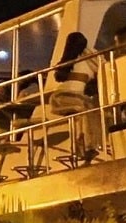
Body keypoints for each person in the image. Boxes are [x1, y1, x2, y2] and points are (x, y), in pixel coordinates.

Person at [51, 31, 101, 162]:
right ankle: (89, 145)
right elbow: (102, 68)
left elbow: (59, 77)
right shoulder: (89, 54)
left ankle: (81, 144)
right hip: (73, 96)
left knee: (83, 110)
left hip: (58, 97)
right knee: (90, 109)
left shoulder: (67, 59)